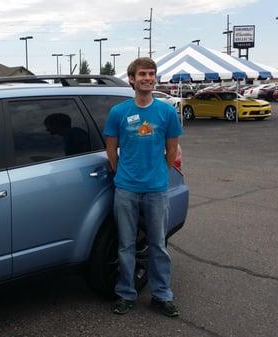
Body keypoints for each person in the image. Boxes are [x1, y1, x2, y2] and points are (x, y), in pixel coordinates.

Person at [103, 57, 182, 317]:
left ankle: (162, 295)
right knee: (125, 245)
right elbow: (111, 149)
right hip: (125, 188)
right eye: (142, 74)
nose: (148, 78)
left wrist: (160, 172)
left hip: (157, 189)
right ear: (132, 79)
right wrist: (120, 172)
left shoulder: (166, 112)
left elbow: (172, 150)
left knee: (158, 245)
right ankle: (126, 294)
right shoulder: (119, 112)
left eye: (151, 74)